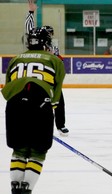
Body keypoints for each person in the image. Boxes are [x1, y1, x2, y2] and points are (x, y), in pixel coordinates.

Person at [2, 27, 65, 194]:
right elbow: (56, 97)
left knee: (19, 150)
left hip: (14, 106)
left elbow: (7, 90)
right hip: (40, 105)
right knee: (37, 152)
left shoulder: (15, 59)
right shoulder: (54, 60)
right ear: (46, 43)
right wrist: (47, 113)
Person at [25, 0, 69, 136]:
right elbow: (28, 30)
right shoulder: (36, 44)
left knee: (59, 101)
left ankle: (60, 125)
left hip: (51, 79)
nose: (49, 35)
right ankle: (32, 122)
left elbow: (58, 63)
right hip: (38, 78)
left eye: (50, 33)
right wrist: (31, 12)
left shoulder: (53, 48)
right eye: (47, 33)